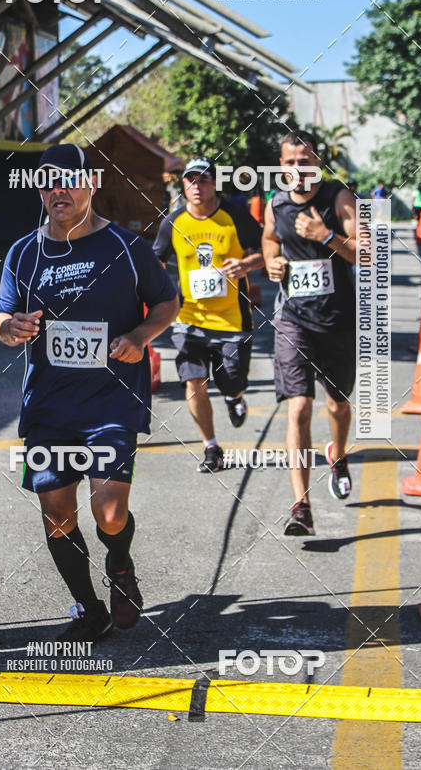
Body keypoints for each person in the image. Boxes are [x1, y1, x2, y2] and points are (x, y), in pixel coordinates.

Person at [0, 144, 179, 643]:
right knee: (57, 516)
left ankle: (120, 563)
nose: (58, 190)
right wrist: (9, 327)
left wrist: (140, 336)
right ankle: (90, 610)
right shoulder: (24, 252)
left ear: (90, 184)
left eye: (69, 180)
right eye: (47, 182)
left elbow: (167, 302)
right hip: (48, 405)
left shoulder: (126, 246)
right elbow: (1, 314)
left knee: (110, 514)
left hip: (112, 401)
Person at [262, 131, 357, 536]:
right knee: (298, 407)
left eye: (305, 161)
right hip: (292, 319)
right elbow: (269, 241)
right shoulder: (276, 203)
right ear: (281, 166)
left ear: (318, 162)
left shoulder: (340, 198)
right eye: (290, 162)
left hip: (336, 320)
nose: (297, 169)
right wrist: (271, 262)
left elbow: (369, 252)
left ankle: (339, 455)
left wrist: (326, 236)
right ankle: (301, 506)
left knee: (337, 405)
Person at [153, 157, 265, 473]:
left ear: (214, 183)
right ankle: (211, 447)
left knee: (232, 381)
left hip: (232, 319)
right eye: (191, 180)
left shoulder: (235, 217)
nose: (197, 186)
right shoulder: (173, 222)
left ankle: (234, 397)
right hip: (189, 318)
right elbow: (155, 261)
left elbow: (267, 251)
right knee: (194, 381)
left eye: (203, 180)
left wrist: (246, 264)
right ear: (183, 184)